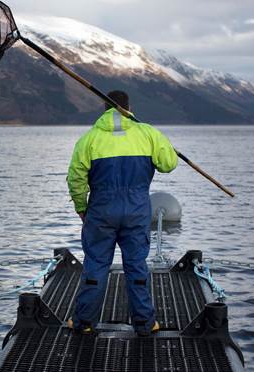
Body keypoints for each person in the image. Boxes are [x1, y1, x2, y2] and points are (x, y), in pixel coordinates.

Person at [66, 90, 177, 336]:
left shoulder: (89, 139)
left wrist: (81, 207)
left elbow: (75, 178)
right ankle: (145, 324)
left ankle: (84, 322)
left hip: (101, 212)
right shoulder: (148, 133)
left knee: (95, 265)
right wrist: (164, 145)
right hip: (137, 212)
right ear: (129, 107)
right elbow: (168, 164)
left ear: (104, 107)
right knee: (136, 266)